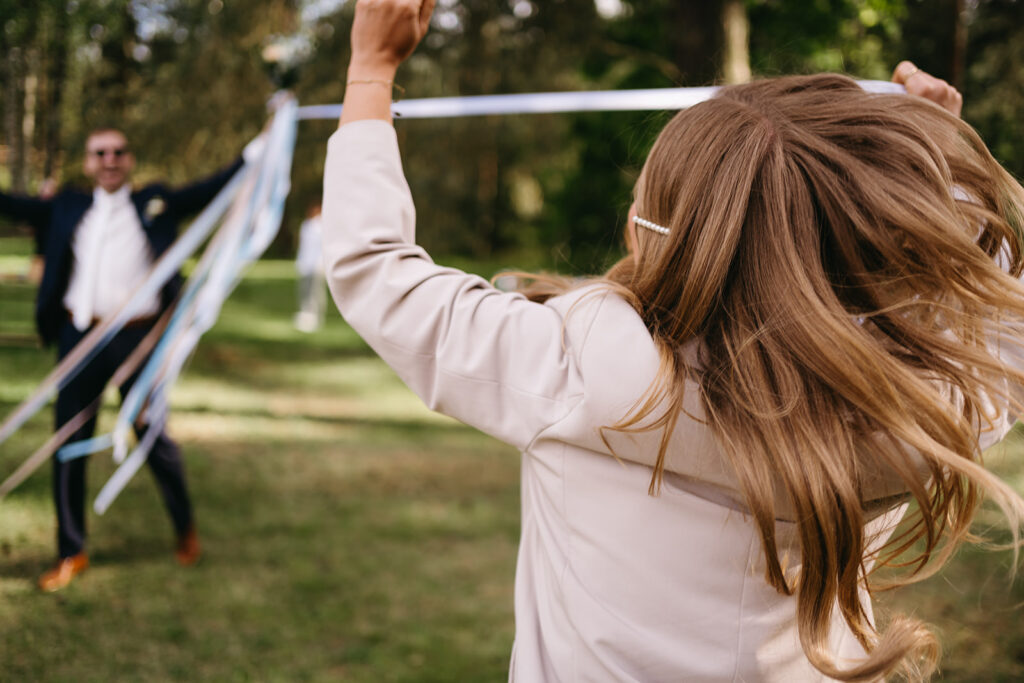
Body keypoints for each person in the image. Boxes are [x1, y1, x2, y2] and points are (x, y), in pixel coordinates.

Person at [323, 2, 1024, 680]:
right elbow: (1001, 318)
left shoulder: (573, 370)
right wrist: (940, 181)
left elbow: (374, 270)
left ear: (644, 236)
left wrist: (370, 70)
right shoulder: (925, 406)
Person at [0, 125, 246, 591]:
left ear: (129, 159)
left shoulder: (155, 202)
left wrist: (262, 148)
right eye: (100, 153)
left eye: (118, 152)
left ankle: (184, 528)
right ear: (89, 162)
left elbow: (212, 188)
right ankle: (71, 551)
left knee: (153, 438)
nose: (110, 159)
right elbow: (12, 205)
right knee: (67, 445)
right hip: (79, 338)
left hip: (136, 341)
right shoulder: (68, 206)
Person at [293, 202, 327, 332]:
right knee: (304, 292)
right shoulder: (306, 225)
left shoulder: (321, 226)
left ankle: (315, 318)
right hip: (305, 264)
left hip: (317, 265)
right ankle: (305, 315)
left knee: (315, 293)